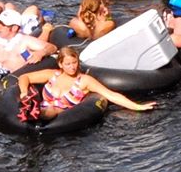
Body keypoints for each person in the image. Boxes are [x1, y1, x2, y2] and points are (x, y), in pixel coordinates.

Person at [16, 47, 155, 121]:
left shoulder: (84, 81)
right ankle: (31, 108)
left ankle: (36, 113)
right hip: (42, 105)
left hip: (59, 113)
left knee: (53, 109)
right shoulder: (52, 74)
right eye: (68, 64)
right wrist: (23, 92)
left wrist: (137, 107)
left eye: (74, 63)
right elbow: (24, 77)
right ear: (60, 64)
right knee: (43, 104)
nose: (72, 67)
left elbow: (111, 95)